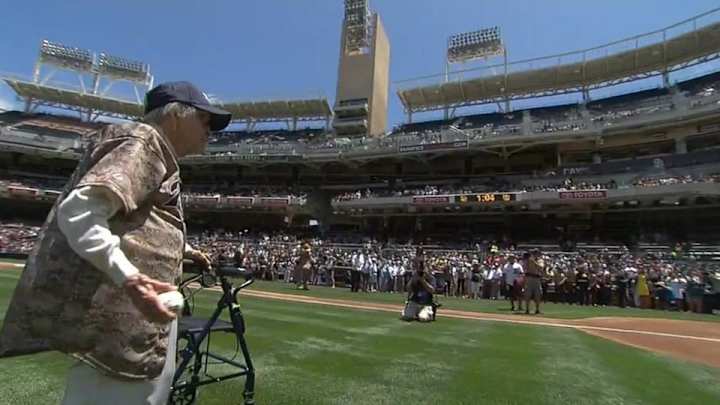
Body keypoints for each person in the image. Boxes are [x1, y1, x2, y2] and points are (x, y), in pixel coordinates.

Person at [0, 81, 230, 405]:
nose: (211, 130)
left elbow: (136, 222)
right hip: (123, 317)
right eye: (205, 120)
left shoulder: (158, 152)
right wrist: (130, 277)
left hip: (138, 319)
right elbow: (80, 212)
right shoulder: (145, 140)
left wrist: (185, 251)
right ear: (176, 116)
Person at [524, 250, 545, 315]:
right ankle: (527, 309)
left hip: (536, 278)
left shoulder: (540, 260)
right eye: (534, 253)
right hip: (529, 277)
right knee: (528, 293)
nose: (535, 254)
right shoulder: (528, 260)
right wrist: (529, 261)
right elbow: (526, 268)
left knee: (538, 294)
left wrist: (534, 262)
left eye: (536, 253)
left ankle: (537, 309)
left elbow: (541, 267)